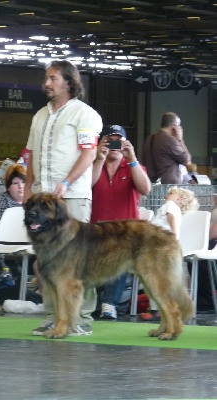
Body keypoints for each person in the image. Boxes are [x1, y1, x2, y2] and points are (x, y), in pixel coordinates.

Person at [24, 60, 103, 336]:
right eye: (46, 78)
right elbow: (32, 153)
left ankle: (81, 318)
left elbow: (88, 154)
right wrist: (28, 187)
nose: (47, 83)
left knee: (79, 262)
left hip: (73, 198)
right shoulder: (39, 116)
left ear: (69, 82)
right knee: (47, 262)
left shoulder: (85, 114)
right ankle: (54, 315)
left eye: (53, 78)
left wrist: (67, 182)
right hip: (42, 200)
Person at [91, 124, 151, 319]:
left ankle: (109, 304)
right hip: (96, 230)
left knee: (121, 254)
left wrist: (132, 159)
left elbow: (145, 189)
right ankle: (94, 302)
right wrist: (99, 158)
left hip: (126, 232)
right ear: (102, 143)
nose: (114, 146)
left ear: (125, 143)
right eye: (110, 140)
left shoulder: (133, 166)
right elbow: (86, 186)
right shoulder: (94, 164)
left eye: (118, 141)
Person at [140, 186, 199, 321]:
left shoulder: (170, 206)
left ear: (179, 198)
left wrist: (173, 236)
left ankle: (159, 309)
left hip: (161, 246)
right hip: (161, 246)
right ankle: (159, 309)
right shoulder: (168, 207)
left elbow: (173, 223)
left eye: (171, 193)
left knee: (155, 278)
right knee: (160, 279)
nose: (167, 195)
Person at [142, 112, 191, 184]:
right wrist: (180, 140)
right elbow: (187, 160)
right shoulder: (170, 141)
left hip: (151, 184)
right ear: (174, 127)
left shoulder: (149, 139)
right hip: (169, 186)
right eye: (179, 126)